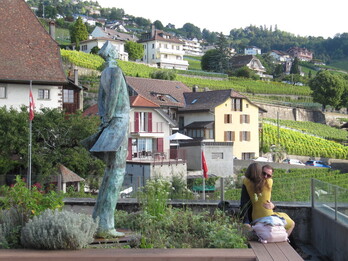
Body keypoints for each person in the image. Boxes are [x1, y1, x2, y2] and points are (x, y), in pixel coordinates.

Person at [82, 41, 130, 238]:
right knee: (117, 172)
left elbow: (101, 101)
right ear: (112, 53)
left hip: (111, 123)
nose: (118, 54)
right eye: (116, 51)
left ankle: (97, 221)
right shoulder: (115, 71)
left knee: (110, 172)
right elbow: (110, 99)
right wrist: (109, 119)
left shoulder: (104, 73)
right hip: (118, 122)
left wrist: (104, 120)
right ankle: (107, 225)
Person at [240, 163, 295, 236]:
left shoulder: (246, 182)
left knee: (284, 216)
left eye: (268, 175)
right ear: (260, 172)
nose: (266, 176)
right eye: (263, 173)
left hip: (255, 216)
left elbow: (243, 179)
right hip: (267, 217)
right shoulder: (269, 182)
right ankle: (285, 238)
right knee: (291, 223)